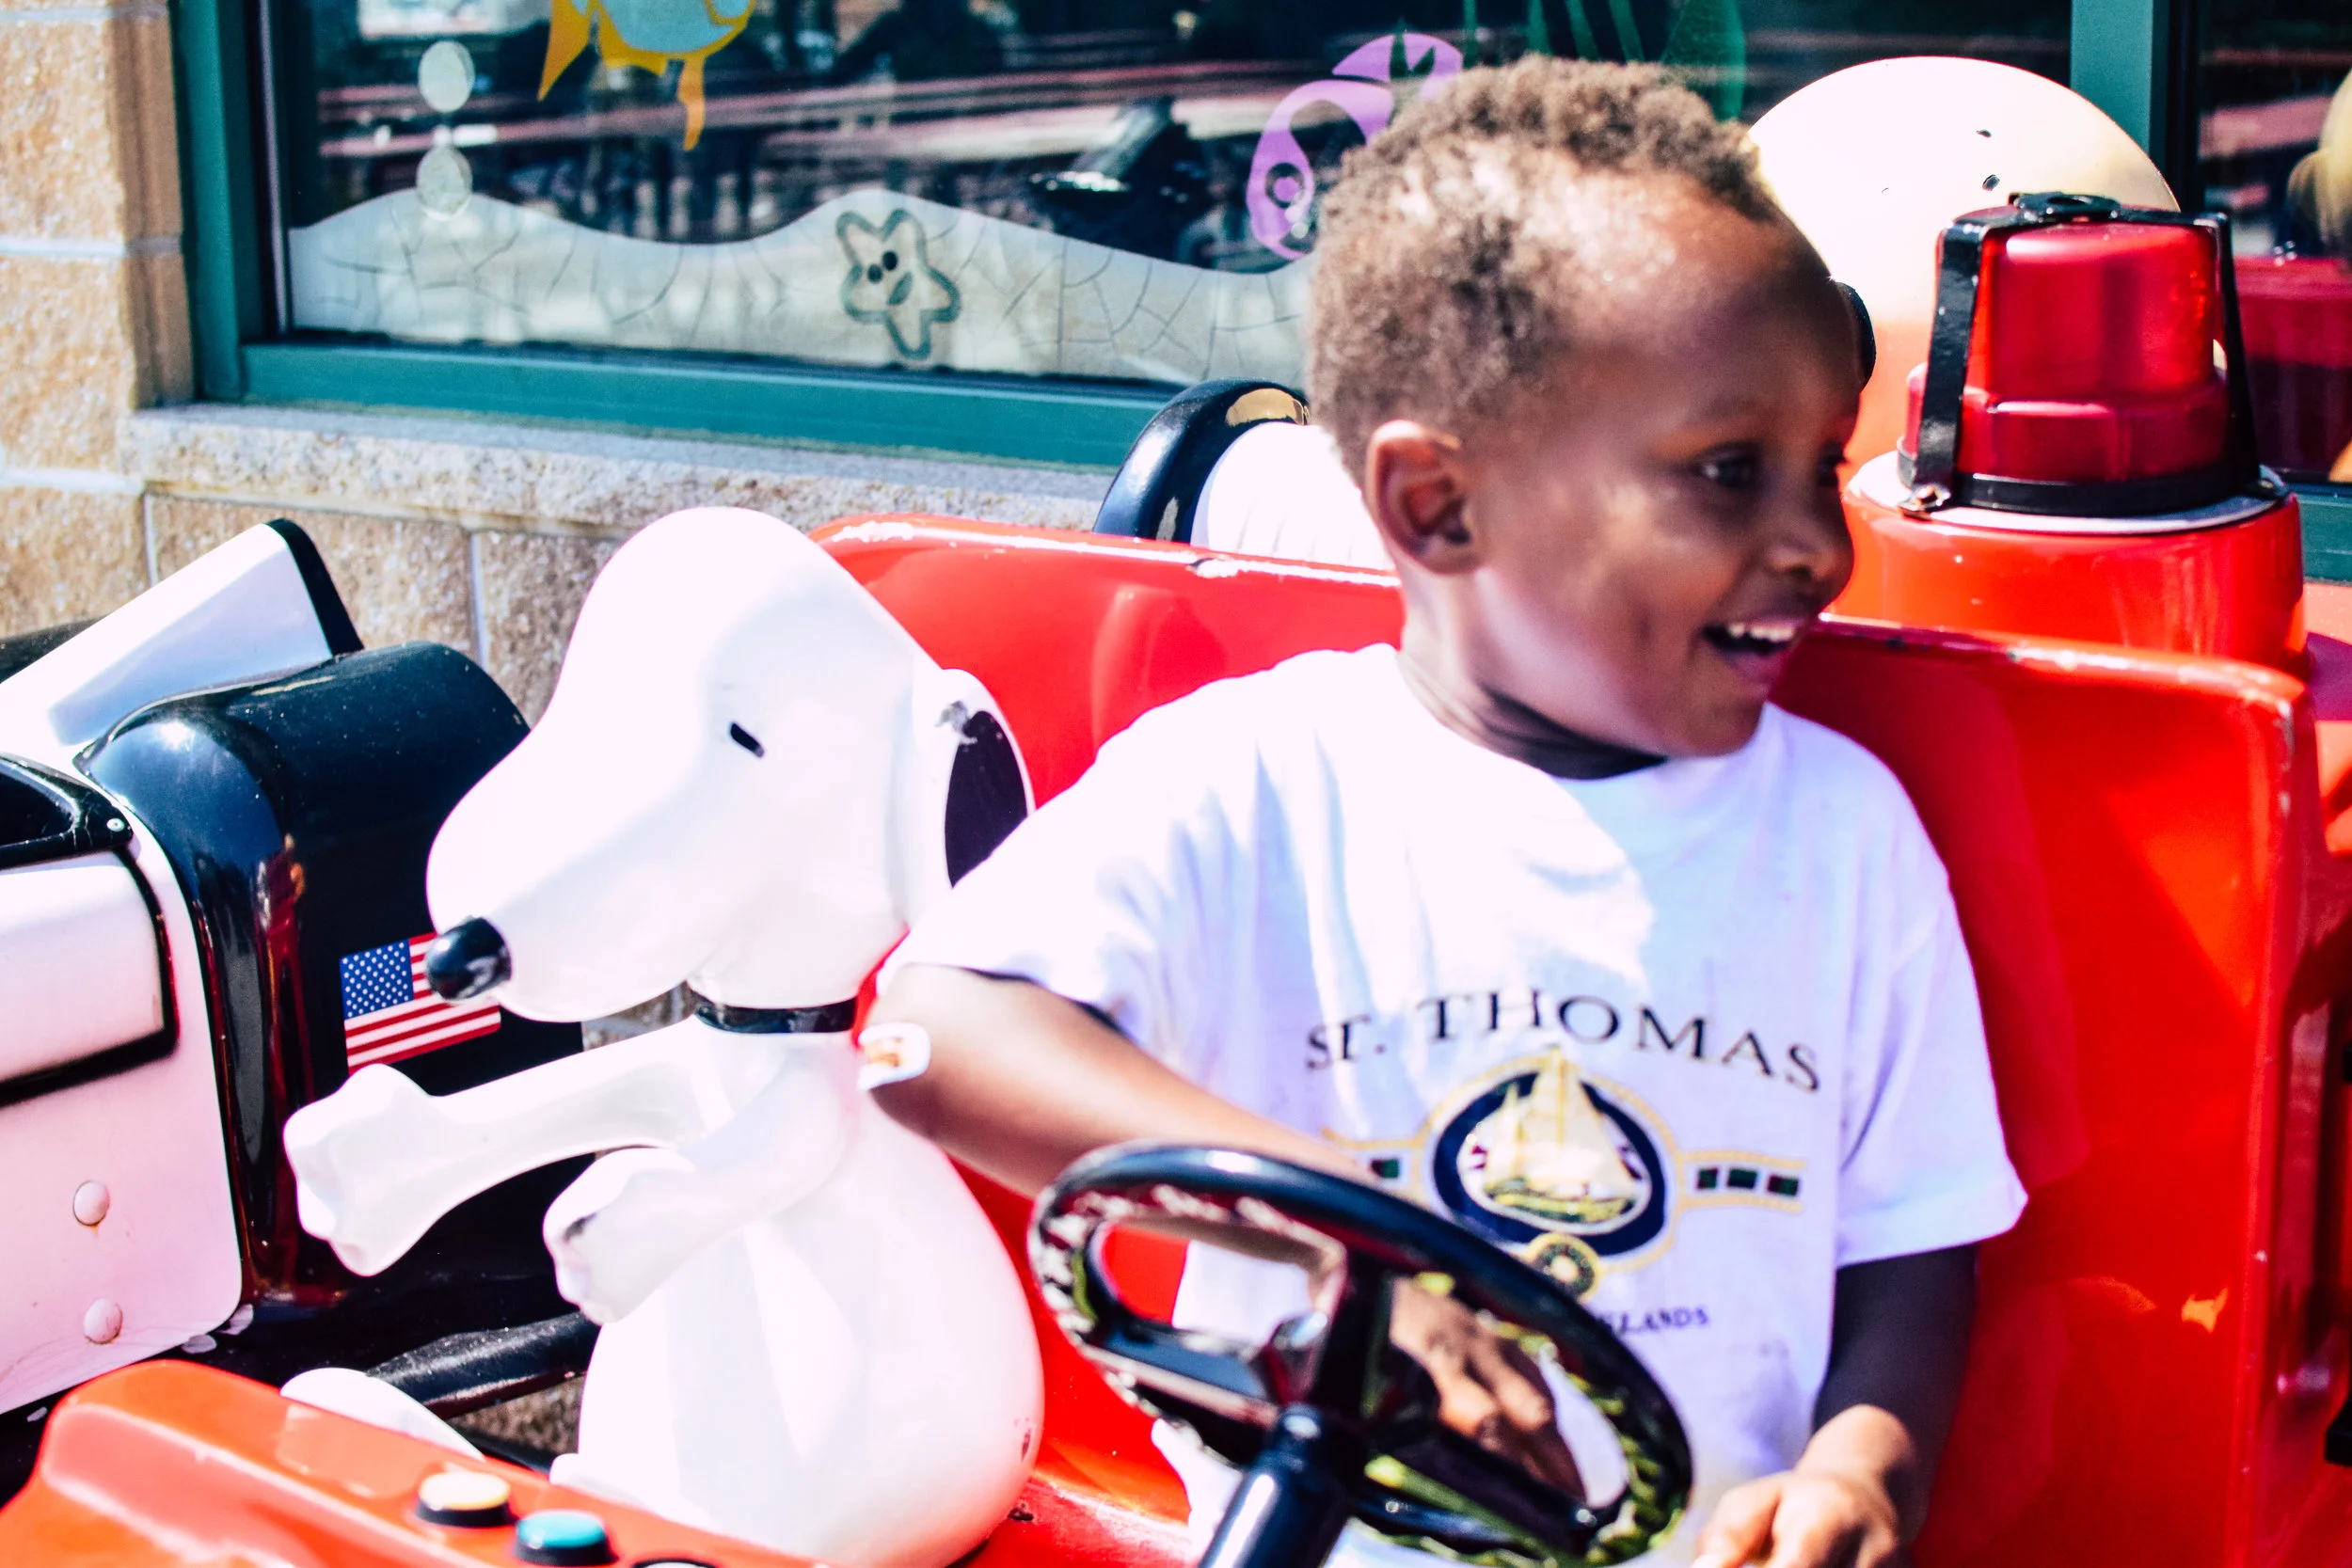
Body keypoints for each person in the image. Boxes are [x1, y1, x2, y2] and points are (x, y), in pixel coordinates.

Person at [867, 57, 2026, 1568]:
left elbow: (1912, 1243)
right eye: (1729, 473)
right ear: (1438, 506)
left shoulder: (1847, 840)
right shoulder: (1260, 781)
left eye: (1826, 463)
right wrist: (1331, 1223)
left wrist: (1864, 1468)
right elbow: (928, 1034)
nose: (1815, 541)